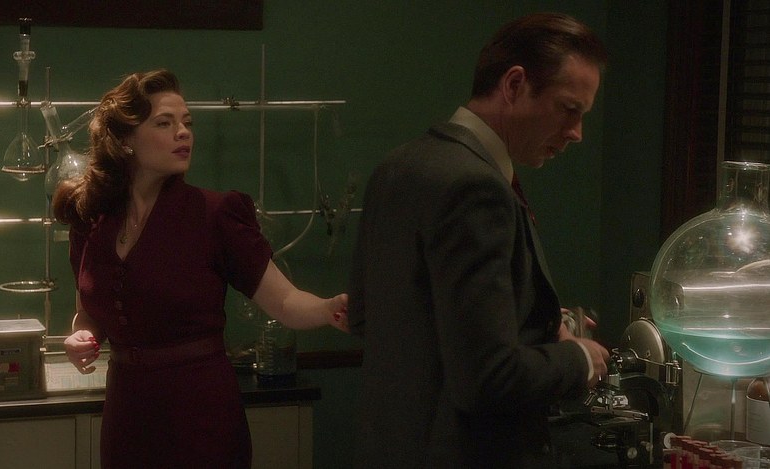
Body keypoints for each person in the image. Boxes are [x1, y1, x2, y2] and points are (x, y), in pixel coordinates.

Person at [347, 12, 611, 469]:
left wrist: (533, 325)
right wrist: (578, 359)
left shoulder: (397, 166)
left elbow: (367, 317)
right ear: (514, 84)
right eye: (569, 109)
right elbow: (487, 378)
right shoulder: (478, 188)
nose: (576, 134)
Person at [53, 69, 348, 469]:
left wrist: (330, 308)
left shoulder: (214, 214)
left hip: (199, 413)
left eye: (187, 123)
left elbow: (285, 302)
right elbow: (88, 310)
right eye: (164, 123)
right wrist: (81, 336)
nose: (183, 133)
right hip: (127, 414)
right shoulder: (92, 217)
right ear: (124, 140)